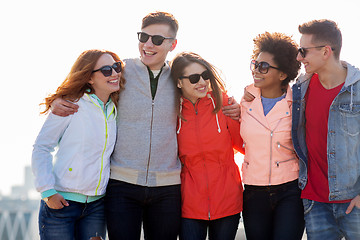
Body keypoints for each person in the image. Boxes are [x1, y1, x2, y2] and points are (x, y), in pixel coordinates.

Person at [50, 11, 241, 240]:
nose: (148, 45)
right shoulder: (122, 71)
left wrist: (238, 104)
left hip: (167, 188)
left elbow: (207, 93)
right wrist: (59, 99)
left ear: (173, 44)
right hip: (122, 185)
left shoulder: (179, 78)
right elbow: (89, 82)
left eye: (158, 40)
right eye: (144, 37)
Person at [31, 49, 125, 240]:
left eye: (116, 67)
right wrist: (47, 192)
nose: (115, 73)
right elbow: (42, 147)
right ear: (89, 78)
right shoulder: (70, 105)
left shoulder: (115, 108)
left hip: (97, 207)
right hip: (61, 202)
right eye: (106, 70)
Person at [292, 19, 360, 239]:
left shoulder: (357, 89)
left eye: (303, 51)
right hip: (315, 202)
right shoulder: (301, 89)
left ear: (325, 52)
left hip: (354, 202)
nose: (299, 57)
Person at [170, 52, 244, 240]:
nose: (202, 82)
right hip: (190, 204)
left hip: (228, 199)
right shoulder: (172, 112)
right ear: (179, 82)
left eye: (205, 76)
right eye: (194, 78)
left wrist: (246, 113)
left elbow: (244, 146)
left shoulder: (225, 104)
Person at [240, 32, 305, 240]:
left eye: (264, 67)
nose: (256, 71)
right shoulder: (243, 103)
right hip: (253, 191)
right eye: (255, 64)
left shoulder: (298, 104)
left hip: (290, 190)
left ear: (283, 74)